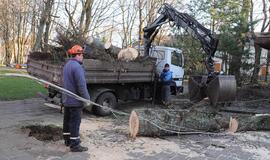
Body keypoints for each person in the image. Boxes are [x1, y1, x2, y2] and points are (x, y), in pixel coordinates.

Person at [62, 45, 90, 152]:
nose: (82, 57)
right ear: (78, 55)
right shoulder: (77, 67)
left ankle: (67, 140)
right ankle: (75, 145)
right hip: (75, 101)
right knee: (75, 122)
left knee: (67, 120)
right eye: (82, 55)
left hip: (67, 99)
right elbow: (81, 86)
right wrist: (86, 99)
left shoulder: (67, 65)